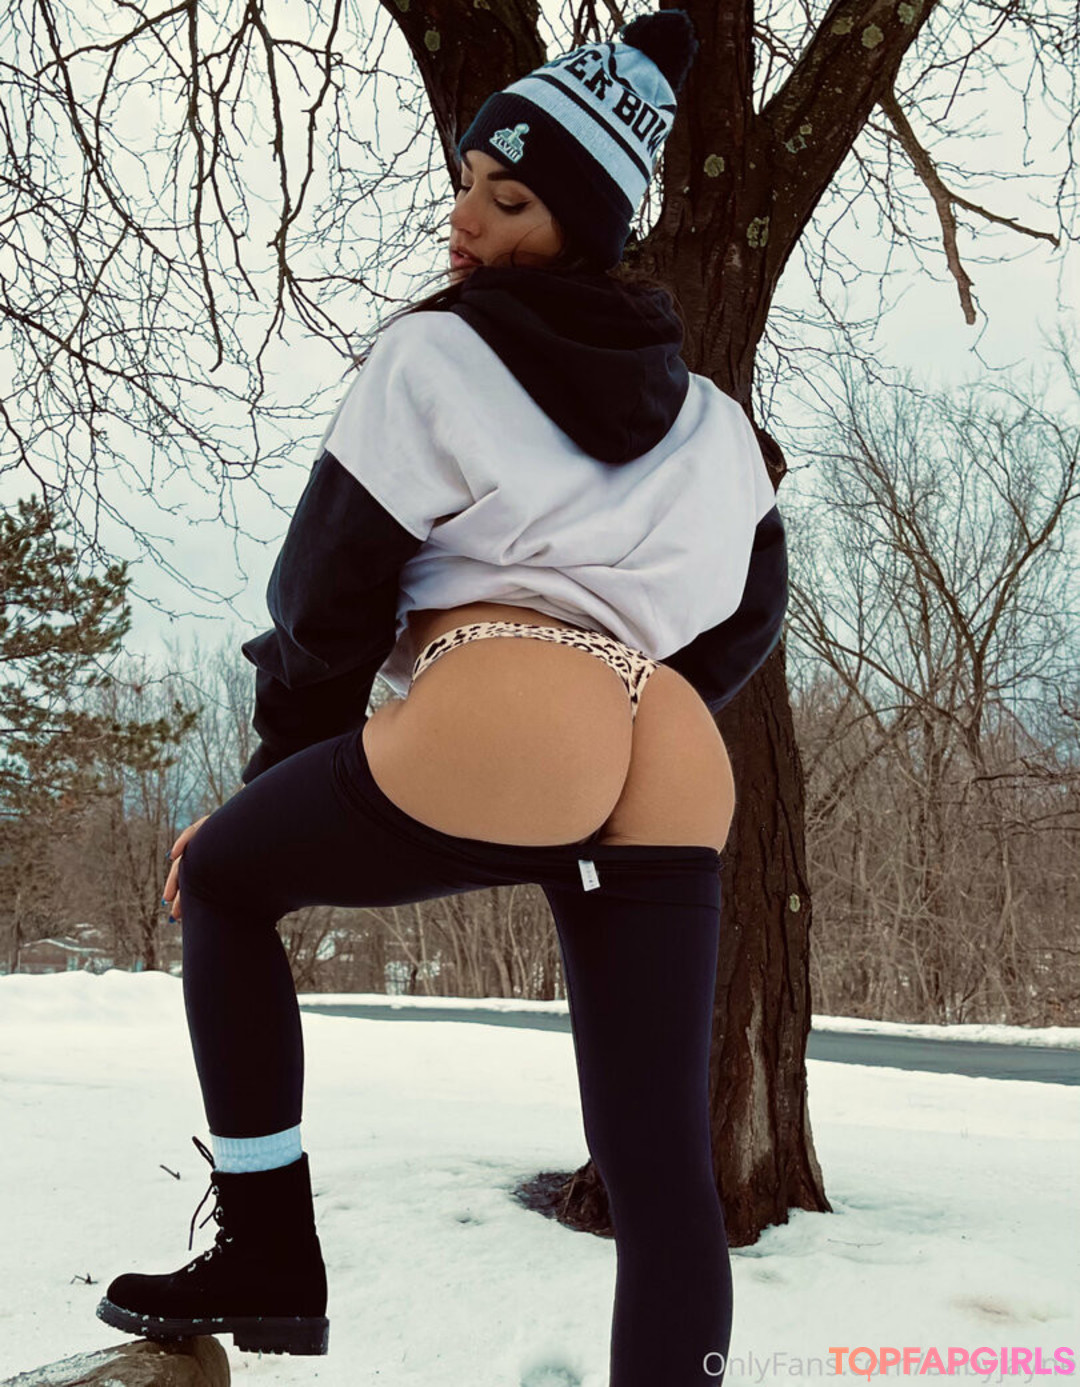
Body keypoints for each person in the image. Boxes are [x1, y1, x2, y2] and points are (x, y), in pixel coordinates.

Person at [95, 11, 787, 1385]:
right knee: (660, 1166)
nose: (466, 218)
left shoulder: (436, 354)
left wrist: (274, 781)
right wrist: (622, 708)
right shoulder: (724, 429)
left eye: (510, 199)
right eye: (468, 181)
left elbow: (328, 596)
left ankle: (270, 1256)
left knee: (224, 881)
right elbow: (749, 619)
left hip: (507, 707)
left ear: (586, 223)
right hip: (668, 744)